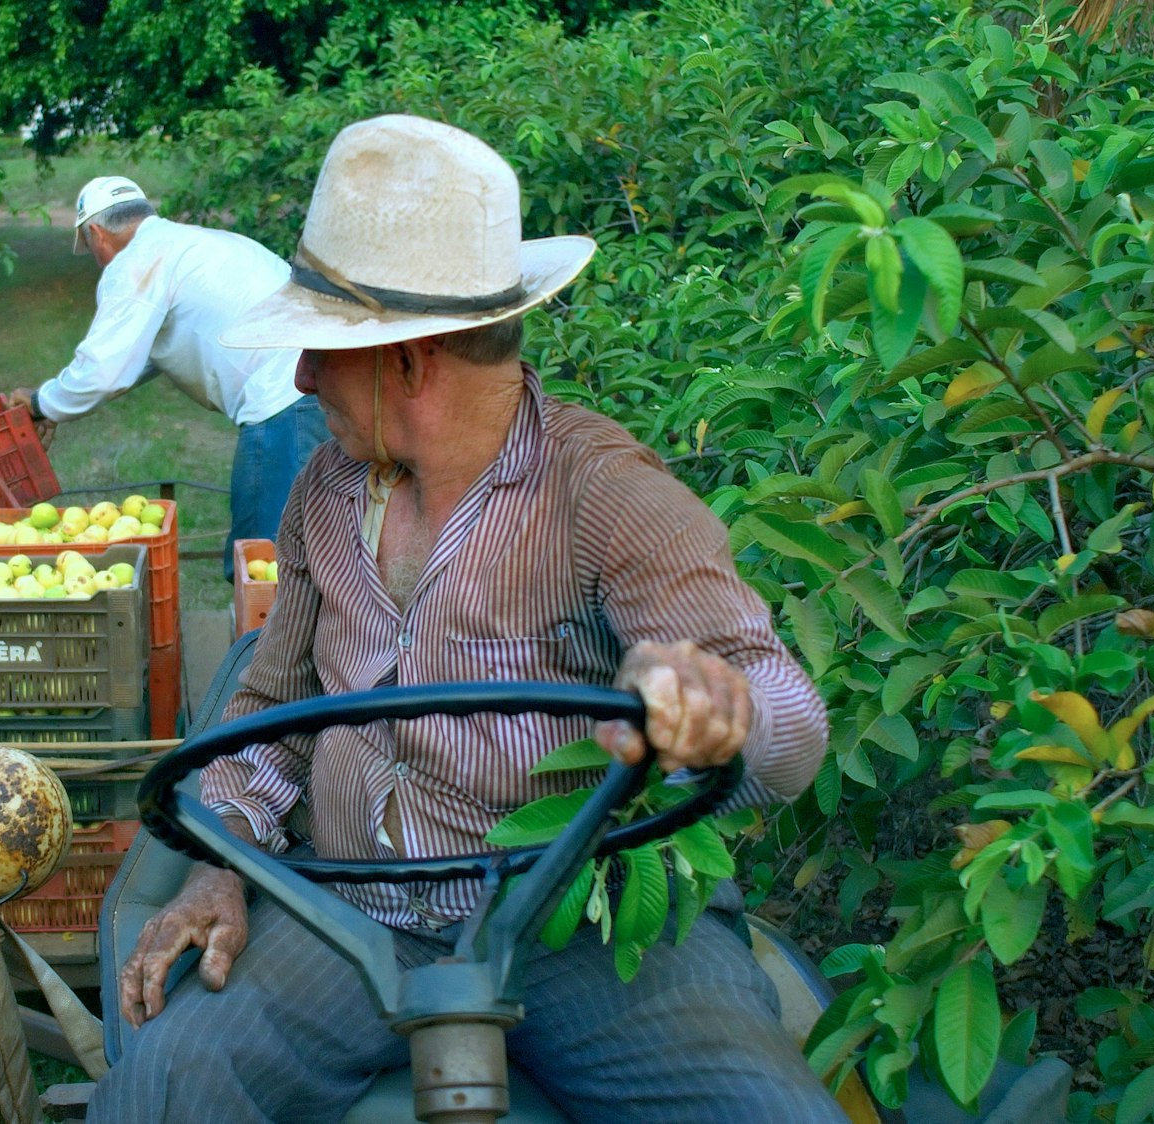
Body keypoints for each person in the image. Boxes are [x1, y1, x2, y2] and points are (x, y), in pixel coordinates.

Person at [91, 117, 844, 1122]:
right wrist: (219, 860)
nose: (304, 378)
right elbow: (272, 706)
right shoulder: (323, 490)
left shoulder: (602, 489)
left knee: (766, 1113)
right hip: (347, 910)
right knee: (162, 1088)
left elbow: (785, 715)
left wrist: (722, 709)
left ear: (411, 359)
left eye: (324, 349)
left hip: (575, 915)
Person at [6, 177, 331, 573]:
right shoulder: (191, 244)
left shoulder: (136, 263)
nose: (96, 260)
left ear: (95, 233)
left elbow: (104, 372)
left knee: (264, 561)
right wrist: (50, 408)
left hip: (283, 401)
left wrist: (41, 403)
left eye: (90, 249)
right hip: (321, 387)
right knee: (317, 548)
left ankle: (269, 636)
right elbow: (137, 358)